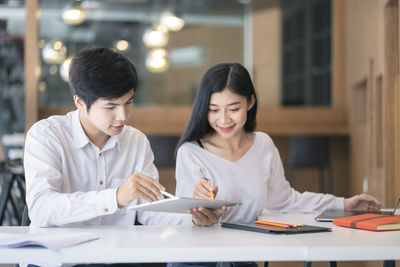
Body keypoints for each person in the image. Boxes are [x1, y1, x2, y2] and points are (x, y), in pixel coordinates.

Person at [169, 62, 381, 267]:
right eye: (213, 110)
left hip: (242, 260)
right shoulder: (191, 152)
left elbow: (285, 201)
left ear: (250, 102)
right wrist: (200, 216)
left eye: (233, 108)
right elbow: (185, 221)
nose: (223, 119)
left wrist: (343, 204)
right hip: (196, 260)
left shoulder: (263, 145)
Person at [24, 48, 224, 230]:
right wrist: (117, 197)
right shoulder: (47, 135)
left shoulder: (136, 141)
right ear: (80, 102)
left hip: (116, 257)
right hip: (59, 258)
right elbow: (41, 209)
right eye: (111, 107)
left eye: (128, 102)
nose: (123, 115)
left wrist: (193, 217)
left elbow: (150, 212)